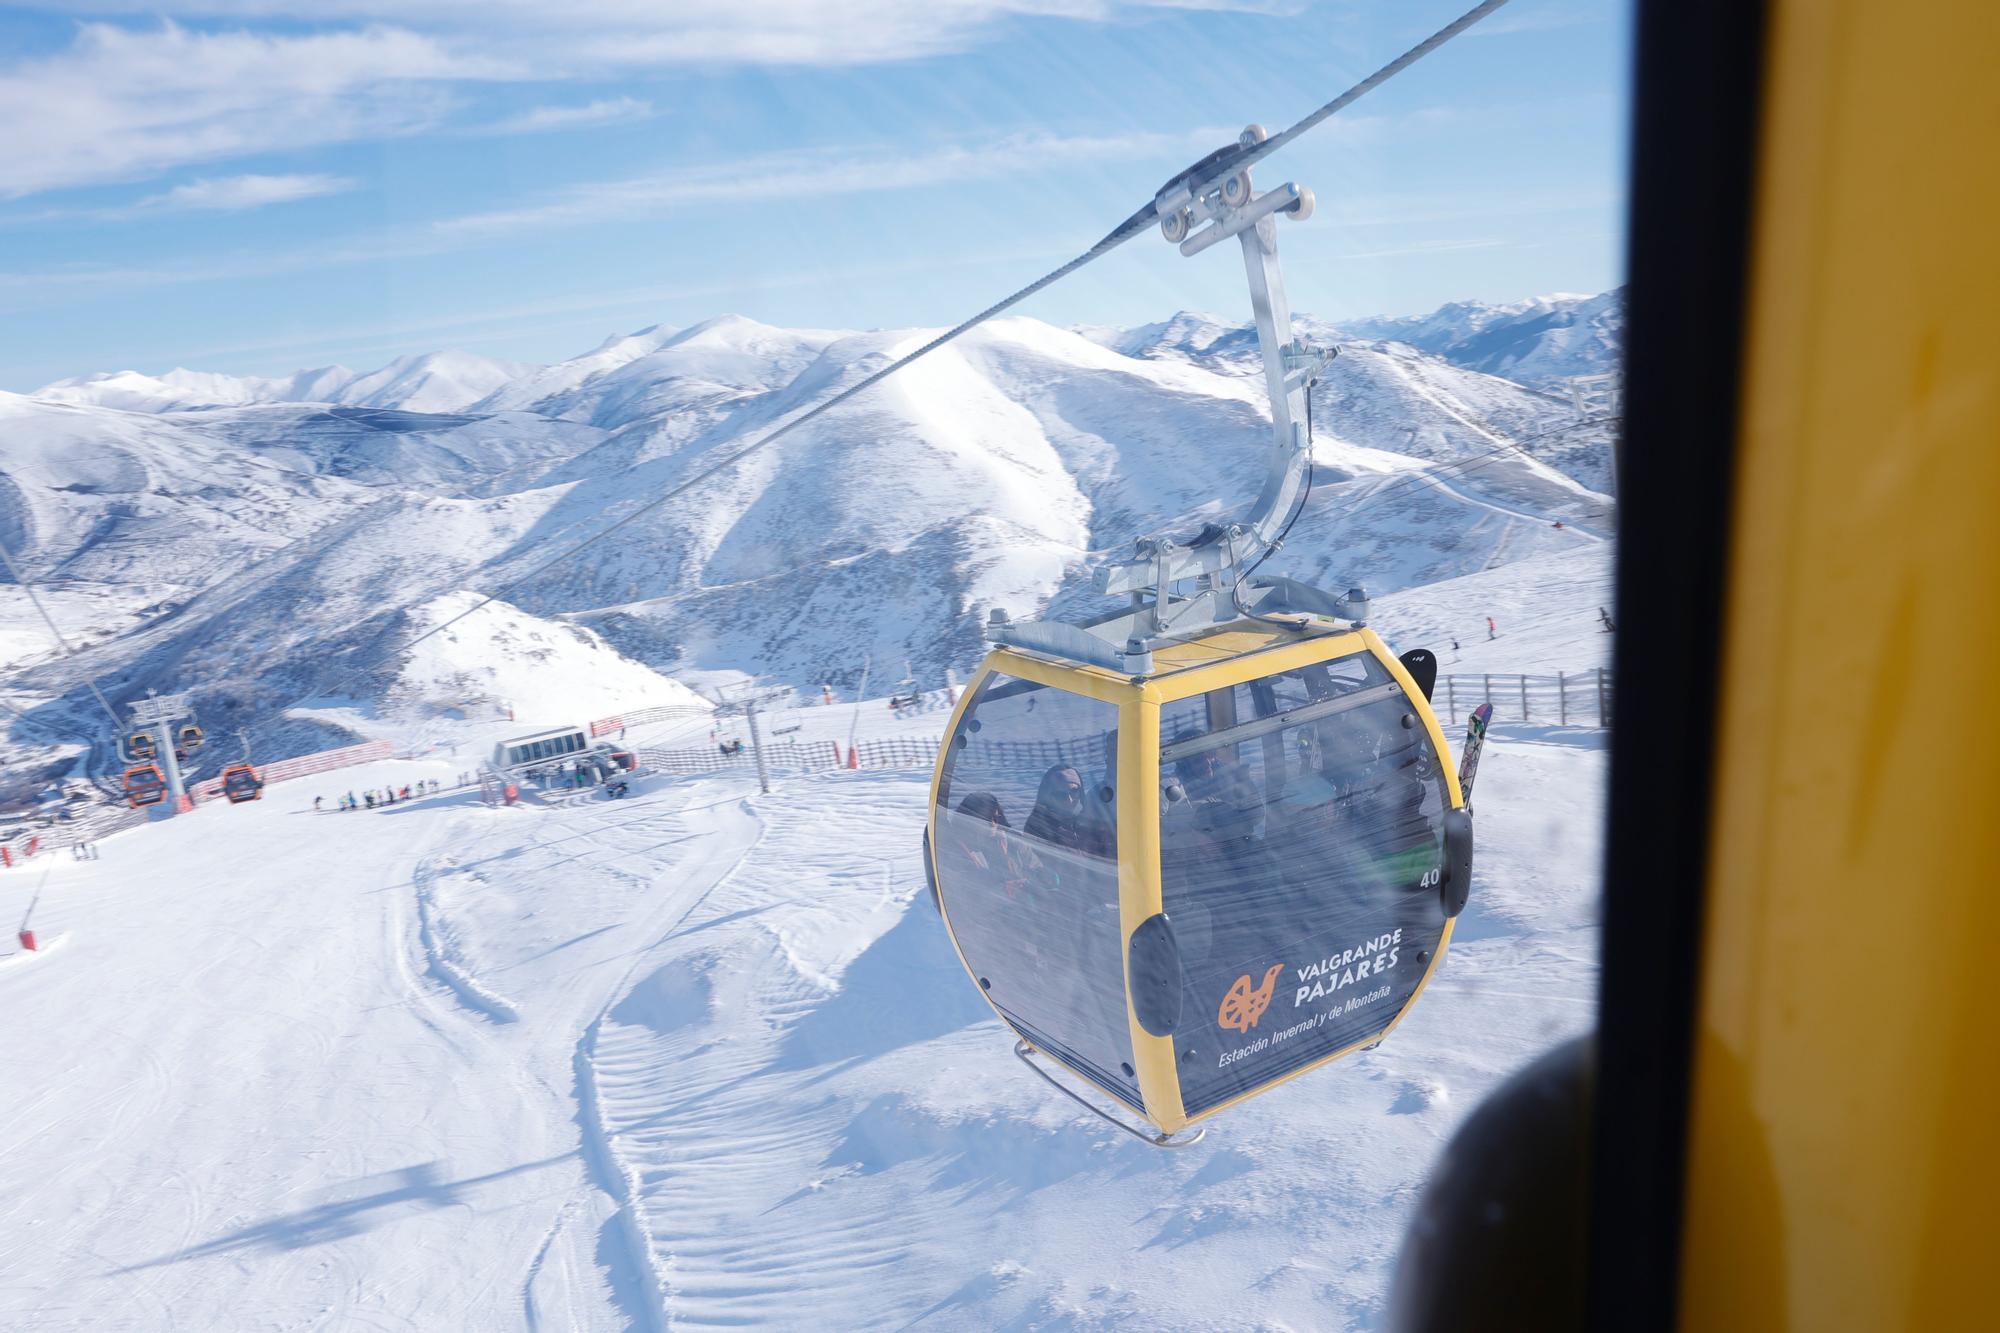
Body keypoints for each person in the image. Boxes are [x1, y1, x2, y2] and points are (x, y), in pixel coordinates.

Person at [1023, 765, 1112, 857]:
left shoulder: (1094, 822)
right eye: (1060, 795)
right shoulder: (1038, 828)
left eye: (1074, 791)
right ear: (1048, 796)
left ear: (1081, 792)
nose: (1069, 800)